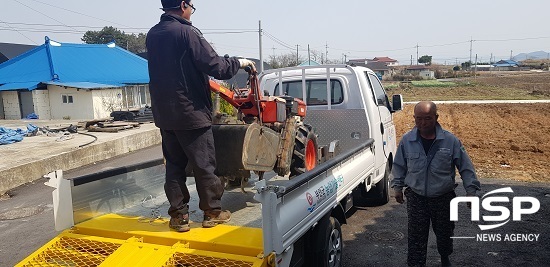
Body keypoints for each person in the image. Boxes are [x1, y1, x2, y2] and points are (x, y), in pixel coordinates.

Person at [146, 0, 256, 232]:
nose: (191, 11)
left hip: (165, 114)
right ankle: (212, 212)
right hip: (191, 112)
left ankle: (178, 217)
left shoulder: (153, 34)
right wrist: (240, 62)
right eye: (191, 6)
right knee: (204, 165)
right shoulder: (187, 32)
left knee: (174, 166)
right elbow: (216, 66)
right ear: (184, 5)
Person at [391, 101, 481, 267]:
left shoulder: (451, 141)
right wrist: (397, 187)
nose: (423, 123)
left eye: (427, 119)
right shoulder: (407, 141)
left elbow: (466, 167)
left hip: (443, 198)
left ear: (436, 117)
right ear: (414, 118)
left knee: (445, 234)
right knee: (416, 238)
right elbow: (399, 166)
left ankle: (445, 257)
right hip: (416, 197)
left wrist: (471, 192)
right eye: (418, 119)